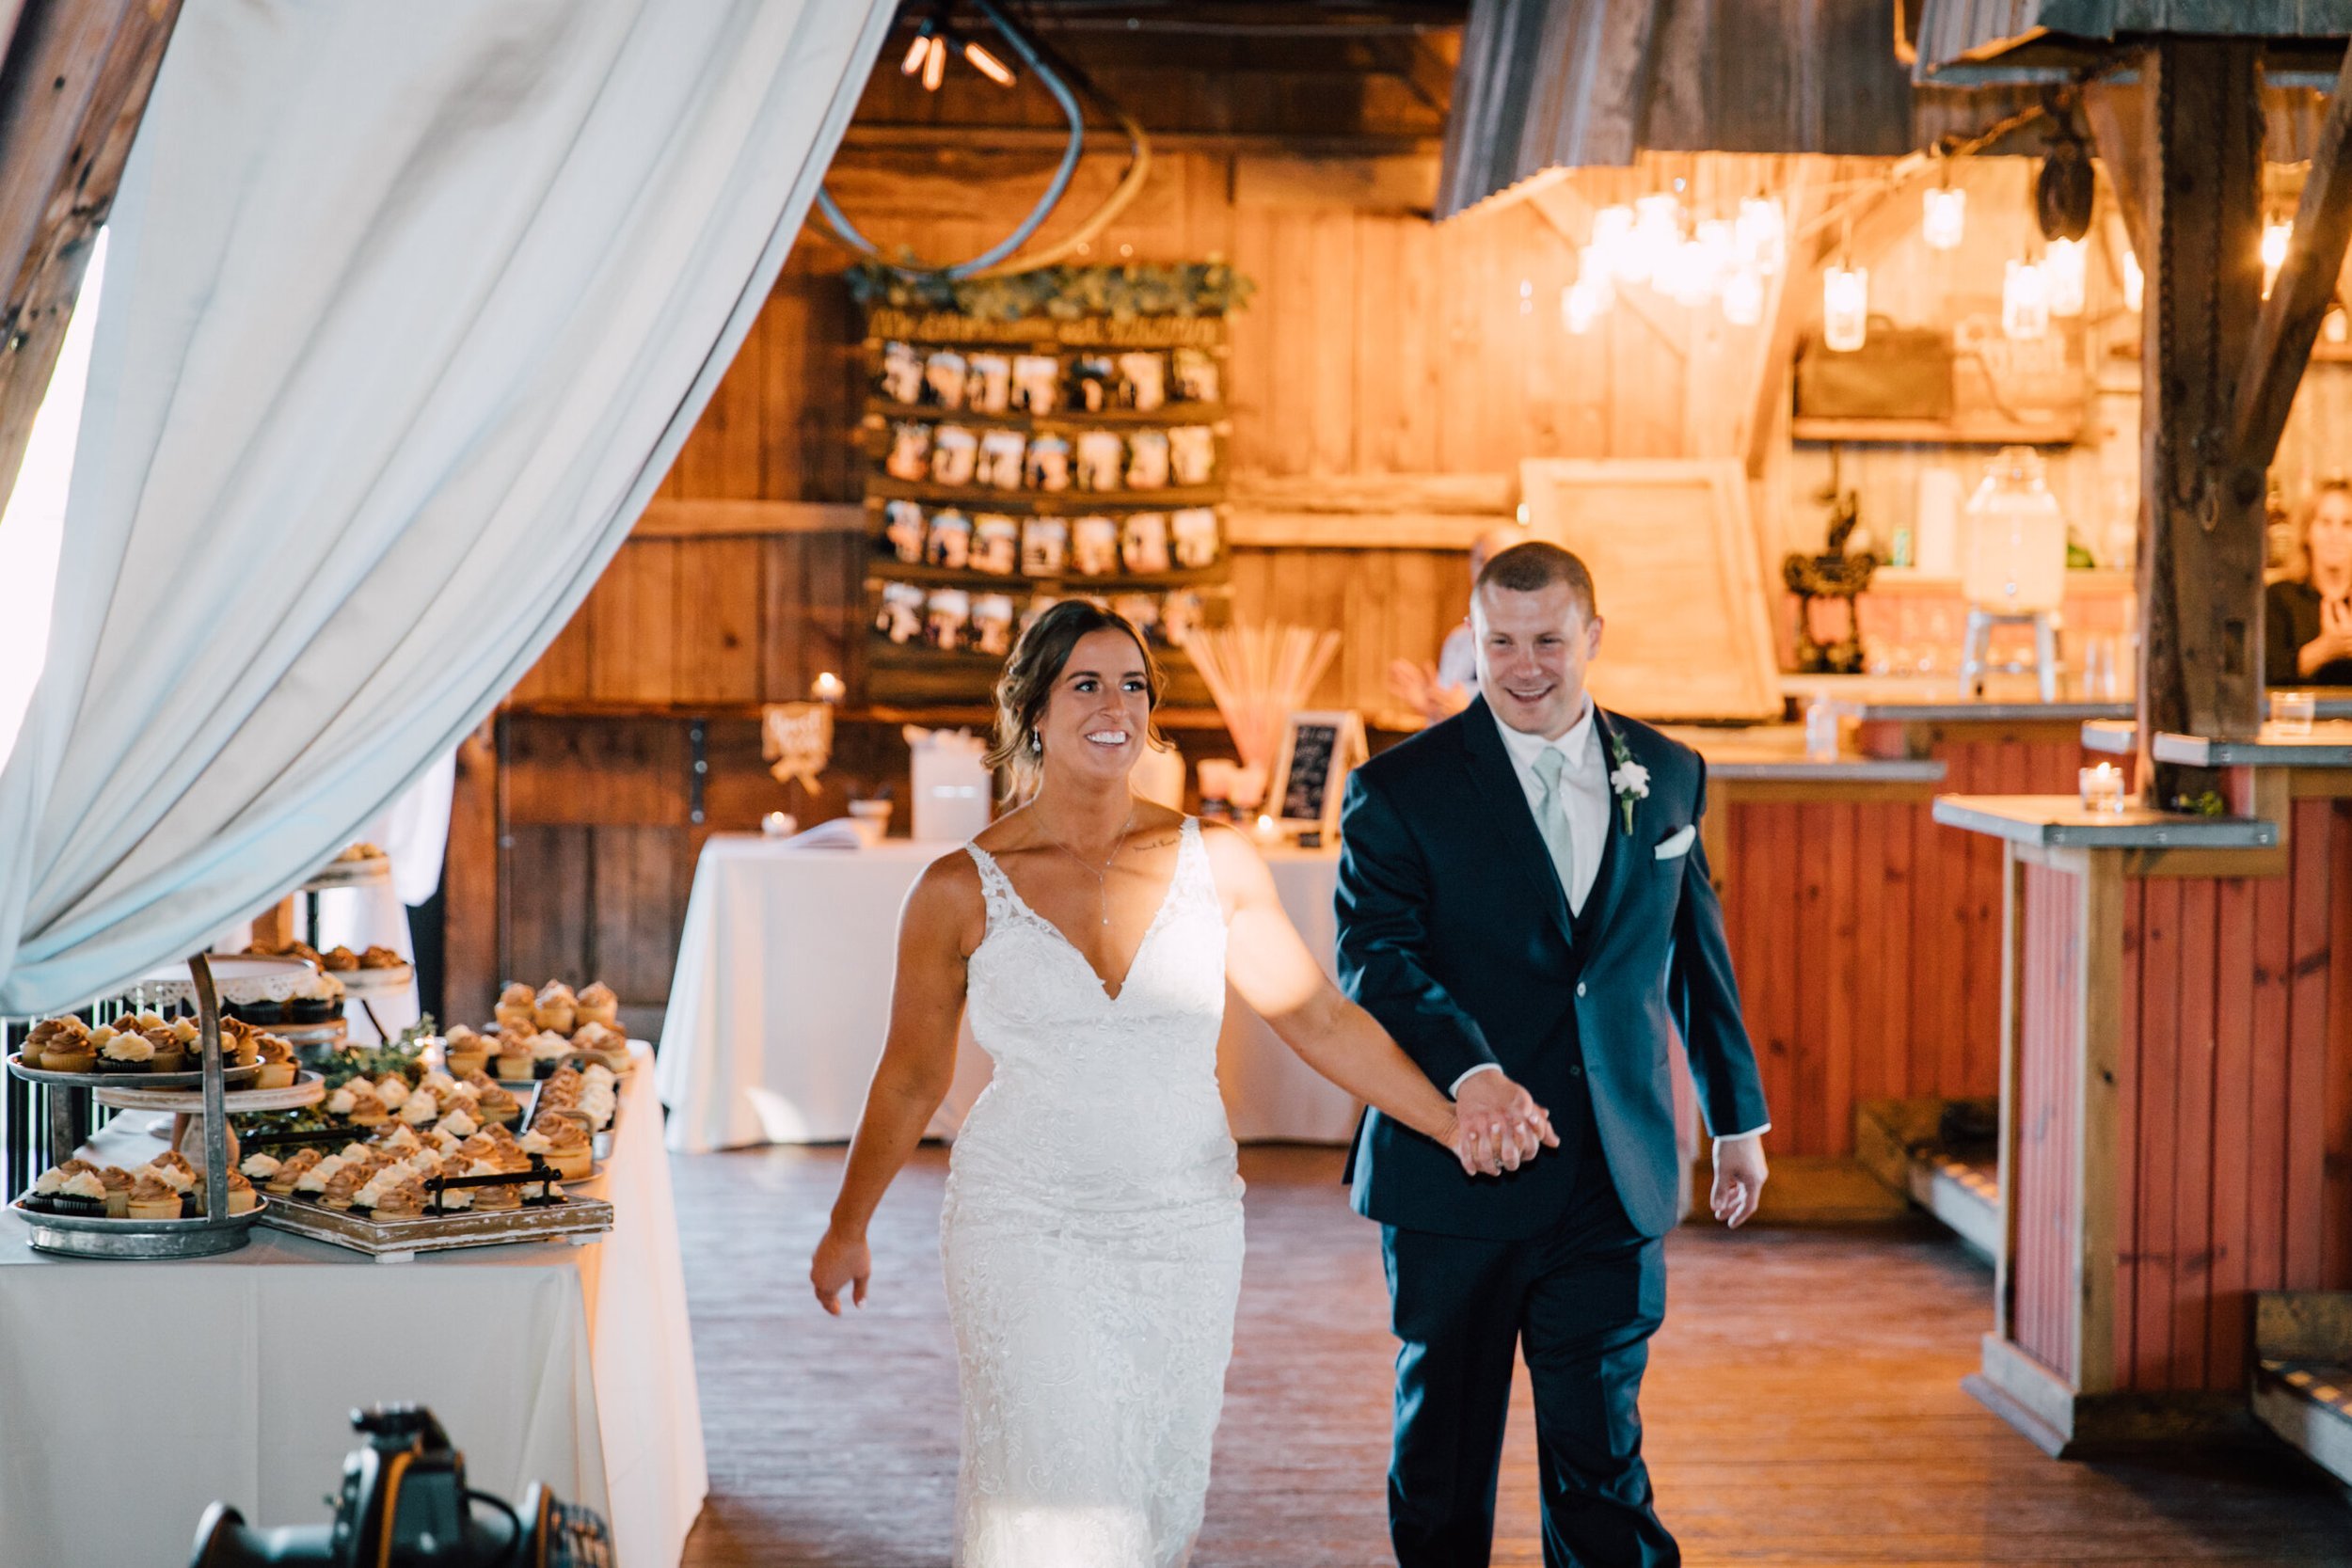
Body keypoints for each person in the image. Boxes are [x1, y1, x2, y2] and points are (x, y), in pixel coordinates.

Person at [808, 600, 1558, 1568]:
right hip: (1021, 1219)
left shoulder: (1218, 863)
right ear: (1034, 708)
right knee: (1051, 1478)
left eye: (1133, 684)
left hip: (1182, 1226)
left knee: (1151, 1486)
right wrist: (847, 1222)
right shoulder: (958, 888)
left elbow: (1316, 1016)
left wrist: (1451, 1119)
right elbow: (911, 1076)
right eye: (1085, 682)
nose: (1113, 704)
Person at [1337, 541, 1772, 1568]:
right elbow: (1377, 962)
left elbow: (1692, 957)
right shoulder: (1398, 789)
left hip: (1611, 1169)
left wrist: (1734, 1118)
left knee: (1602, 1455)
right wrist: (1473, 1074)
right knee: (1444, 1454)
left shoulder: (1665, 771)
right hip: (1458, 1171)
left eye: (1546, 640)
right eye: (1499, 642)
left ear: (1592, 637)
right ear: (1471, 641)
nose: (1522, 666)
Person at [1388, 527, 1526, 722]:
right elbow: (1446, 726)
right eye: (1481, 561)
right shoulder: (1458, 641)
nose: (1489, 571)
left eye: (1503, 560)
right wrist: (1431, 708)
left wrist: (1470, 714)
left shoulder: (1540, 641)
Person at [2267, 478, 2352, 687]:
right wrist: (2323, 650)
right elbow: (2260, 678)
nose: (2336, 534)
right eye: (2325, 522)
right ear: (2307, 532)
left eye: (2347, 523)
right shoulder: (2279, 598)